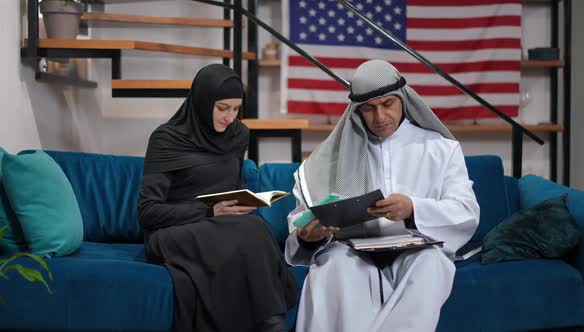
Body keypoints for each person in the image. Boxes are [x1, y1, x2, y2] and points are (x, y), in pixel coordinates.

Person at [285, 60, 480, 332]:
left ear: (403, 99)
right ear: (357, 110)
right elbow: (301, 224)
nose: (379, 117)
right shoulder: (329, 159)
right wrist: (307, 237)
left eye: (387, 104)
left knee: (432, 264)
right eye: (369, 108)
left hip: (418, 248)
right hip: (350, 251)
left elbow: (466, 211)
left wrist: (412, 208)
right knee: (336, 267)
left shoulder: (440, 149)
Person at [138, 63, 297, 332]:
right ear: (202, 101)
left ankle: (271, 323)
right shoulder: (166, 139)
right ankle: (272, 324)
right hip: (174, 232)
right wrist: (210, 212)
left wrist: (240, 203)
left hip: (220, 229)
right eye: (222, 108)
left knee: (254, 226)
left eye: (236, 109)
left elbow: (228, 186)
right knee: (252, 231)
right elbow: (147, 212)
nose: (229, 117)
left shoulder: (238, 134)